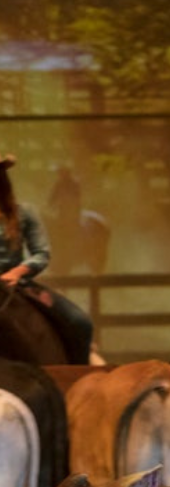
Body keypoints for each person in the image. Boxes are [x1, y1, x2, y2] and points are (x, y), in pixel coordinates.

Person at [0, 153, 96, 364]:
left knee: (79, 322)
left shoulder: (23, 213)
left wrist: (16, 272)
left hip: (16, 284)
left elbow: (41, 253)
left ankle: (75, 378)